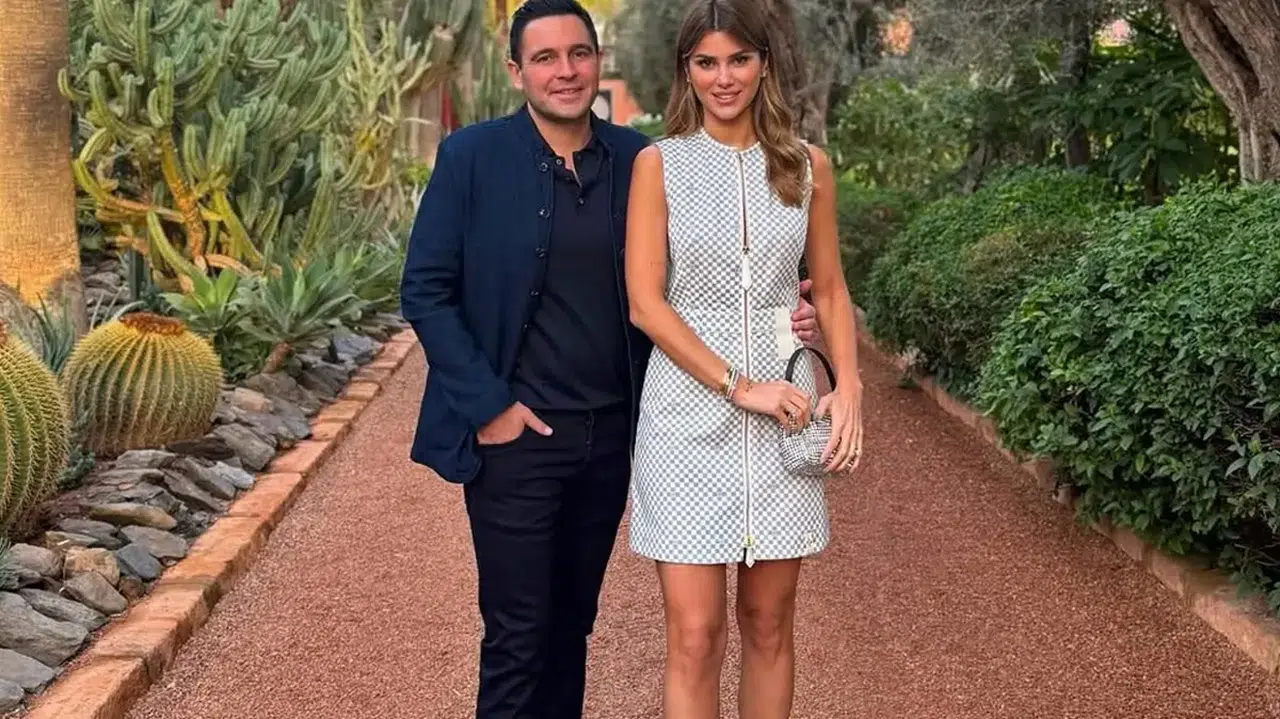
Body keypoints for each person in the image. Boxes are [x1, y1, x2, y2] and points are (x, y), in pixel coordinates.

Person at [398, 1, 825, 716]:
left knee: (571, 628)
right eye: (545, 58)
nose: (565, 71)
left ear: (598, 61)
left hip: (611, 436)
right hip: (517, 437)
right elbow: (425, 290)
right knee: (518, 634)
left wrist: (788, 314)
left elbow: (697, 272)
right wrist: (491, 407)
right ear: (517, 71)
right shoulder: (472, 158)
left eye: (578, 53)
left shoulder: (642, 160)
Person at [623, 0, 865, 717]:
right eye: (706, 62)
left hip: (787, 416)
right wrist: (738, 385)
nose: (723, 78)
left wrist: (850, 388)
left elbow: (830, 288)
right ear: (686, 71)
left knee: (769, 623)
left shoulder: (807, 166)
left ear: (764, 65)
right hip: (685, 417)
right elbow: (646, 304)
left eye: (738, 60)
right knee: (696, 635)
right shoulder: (659, 166)